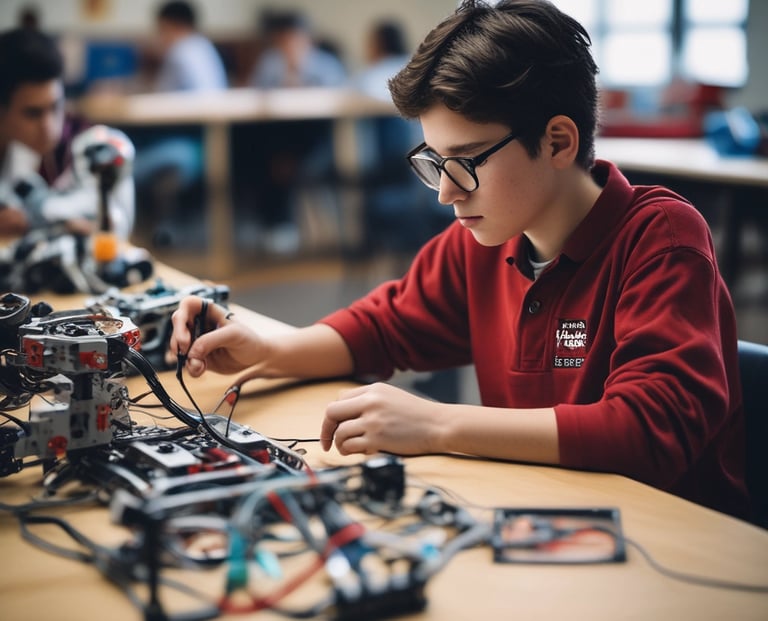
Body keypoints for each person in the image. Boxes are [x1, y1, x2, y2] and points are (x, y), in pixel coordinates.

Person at [170, 0, 750, 521]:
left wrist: (440, 423)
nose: (446, 193)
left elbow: (651, 430)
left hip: (671, 535)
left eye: (467, 160)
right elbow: (384, 327)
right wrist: (271, 350)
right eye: (434, 160)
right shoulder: (486, 240)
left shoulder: (660, 240)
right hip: (545, 518)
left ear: (557, 143)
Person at [0, 27, 134, 241]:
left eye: (56, 107)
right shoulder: (11, 152)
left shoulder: (94, 146)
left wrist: (32, 220)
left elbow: (114, 226)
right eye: (32, 113)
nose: (49, 126)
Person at [233, 10, 347, 254]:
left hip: (316, 139)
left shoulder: (325, 65)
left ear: (307, 39)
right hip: (277, 138)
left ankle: (284, 224)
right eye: (283, 40)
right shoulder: (271, 62)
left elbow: (339, 101)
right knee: (252, 151)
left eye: (294, 39)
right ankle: (275, 225)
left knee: (285, 159)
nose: (289, 46)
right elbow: (255, 94)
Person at [131, 0, 228, 246]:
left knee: (123, 160)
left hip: (188, 145)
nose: (159, 36)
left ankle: (139, 236)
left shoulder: (180, 52)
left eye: (161, 29)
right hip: (212, 142)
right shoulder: (204, 47)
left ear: (171, 25)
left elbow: (159, 99)